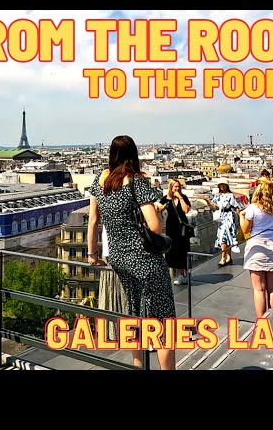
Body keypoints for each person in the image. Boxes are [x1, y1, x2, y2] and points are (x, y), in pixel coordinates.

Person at [87, 135, 176, 370]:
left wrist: (92, 255)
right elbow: (155, 226)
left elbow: (93, 221)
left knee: (135, 316)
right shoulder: (135, 181)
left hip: (118, 258)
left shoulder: (100, 179)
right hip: (144, 260)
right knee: (163, 324)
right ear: (133, 155)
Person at [239, 177, 273, 318]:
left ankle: (261, 322)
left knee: (259, 289)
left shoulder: (252, 208)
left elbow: (246, 230)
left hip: (256, 248)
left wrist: (241, 215)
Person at [199, 178, 242, 266]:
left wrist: (241, 219)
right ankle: (228, 257)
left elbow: (236, 207)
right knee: (224, 237)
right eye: (220, 185)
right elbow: (214, 207)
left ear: (227, 186)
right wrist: (207, 200)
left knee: (225, 237)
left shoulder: (230, 195)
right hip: (221, 219)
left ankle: (223, 258)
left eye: (224, 184)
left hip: (229, 218)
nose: (222, 186)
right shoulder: (217, 196)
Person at [158, 178, 192, 284]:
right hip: (171, 228)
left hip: (182, 228)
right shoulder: (165, 199)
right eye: (175, 186)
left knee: (183, 250)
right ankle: (181, 275)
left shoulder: (183, 197)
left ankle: (185, 273)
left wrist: (180, 198)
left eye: (178, 186)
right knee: (174, 251)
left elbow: (186, 210)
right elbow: (159, 209)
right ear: (171, 187)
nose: (177, 188)